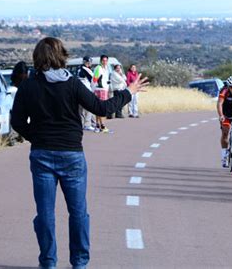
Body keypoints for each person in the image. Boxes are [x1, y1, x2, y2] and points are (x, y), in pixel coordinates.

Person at [10, 37, 148, 269]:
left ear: (38, 57)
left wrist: (38, 138)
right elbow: (102, 108)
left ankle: (48, 262)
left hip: (42, 155)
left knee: (45, 214)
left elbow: (17, 122)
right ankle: (80, 263)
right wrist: (128, 92)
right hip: (72, 154)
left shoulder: (28, 86)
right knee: (79, 213)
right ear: (61, 55)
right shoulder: (73, 84)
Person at [217, 75, 232, 168]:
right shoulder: (224, 91)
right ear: (228, 87)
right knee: (225, 132)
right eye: (231, 87)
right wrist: (221, 116)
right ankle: (224, 156)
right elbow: (219, 104)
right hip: (226, 114)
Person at [92, 55, 110, 132]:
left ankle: (98, 125)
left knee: (99, 108)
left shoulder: (106, 68)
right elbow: (94, 79)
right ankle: (102, 126)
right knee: (102, 108)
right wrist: (93, 89)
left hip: (104, 89)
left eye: (106, 60)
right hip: (99, 90)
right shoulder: (98, 68)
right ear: (101, 61)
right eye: (103, 60)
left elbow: (106, 80)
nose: (105, 62)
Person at [77, 56, 95, 131]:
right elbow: (93, 80)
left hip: (79, 91)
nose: (89, 64)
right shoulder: (86, 69)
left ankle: (80, 124)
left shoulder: (78, 69)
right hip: (86, 91)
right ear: (85, 62)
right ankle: (87, 124)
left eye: (90, 62)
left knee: (80, 110)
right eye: (88, 62)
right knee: (89, 108)